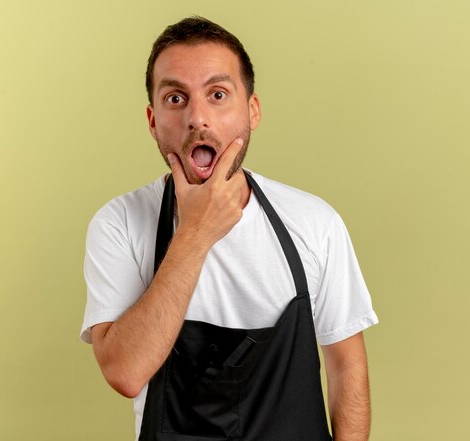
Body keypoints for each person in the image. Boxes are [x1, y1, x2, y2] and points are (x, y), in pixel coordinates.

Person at [81, 16, 378, 441]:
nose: (197, 118)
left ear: (252, 111)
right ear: (152, 119)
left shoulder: (315, 223)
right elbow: (126, 372)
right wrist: (196, 232)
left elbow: (346, 368)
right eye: (176, 98)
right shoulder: (119, 225)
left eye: (217, 94)